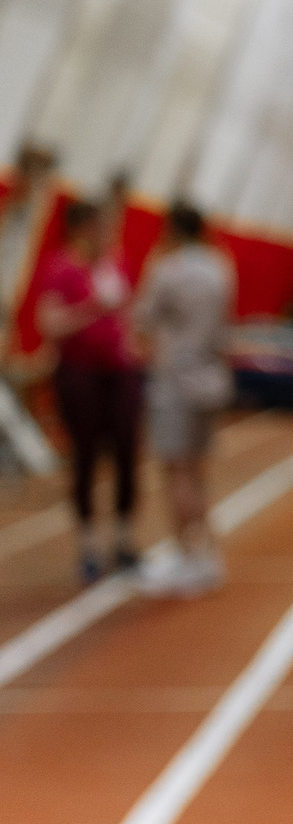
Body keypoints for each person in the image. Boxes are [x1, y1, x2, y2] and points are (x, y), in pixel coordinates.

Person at [34, 198, 141, 582]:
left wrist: (130, 342)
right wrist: (92, 307)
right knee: (86, 456)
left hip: (119, 371)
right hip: (79, 373)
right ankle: (89, 544)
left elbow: (126, 312)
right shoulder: (60, 267)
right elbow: (48, 323)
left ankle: (125, 539)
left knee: (127, 450)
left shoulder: (116, 262)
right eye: (99, 227)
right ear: (80, 228)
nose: (106, 235)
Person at [131, 202, 234, 596]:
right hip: (210, 380)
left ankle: (187, 557)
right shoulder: (220, 268)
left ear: (172, 229)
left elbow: (143, 319)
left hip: (175, 383)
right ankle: (208, 554)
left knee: (176, 472)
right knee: (198, 472)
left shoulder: (167, 270)